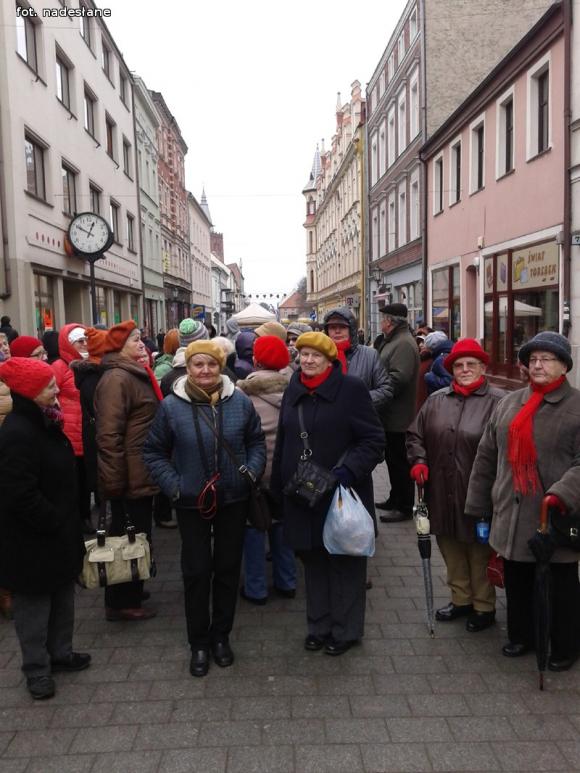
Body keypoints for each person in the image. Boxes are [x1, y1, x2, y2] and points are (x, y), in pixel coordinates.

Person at [143, 340, 266, 677]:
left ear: (220, 366)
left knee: (227, 569)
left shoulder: (239, 401)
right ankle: (198, 642)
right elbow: (153, 452)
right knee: (196, 572)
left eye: (211, 364)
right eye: (198, 364)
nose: (205, 371)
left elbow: (256, 442)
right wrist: (175, 485)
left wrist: (250, 473)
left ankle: (221, 636)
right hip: (191, 501)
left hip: (233, 499)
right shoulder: (171, 406)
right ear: (189, 367)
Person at [466, 332, 580, 670]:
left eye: (547, 359)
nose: (538, 365)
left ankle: (564, 645)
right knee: (517, 579)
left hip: (554, 515)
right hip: (510, 511)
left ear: (564, 366)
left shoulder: (576, 407)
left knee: (559, 586)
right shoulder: (509, 403)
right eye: (533, 360)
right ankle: (523, 636)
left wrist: (563, 492)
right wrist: (478, 503)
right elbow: (487, 455)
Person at [270, 332, 384, 655]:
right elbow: (283, 440)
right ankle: (318, 626)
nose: (307, 361)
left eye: (315, 356)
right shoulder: (293, 386)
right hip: (301, 493)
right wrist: (276, 490)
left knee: (344, 564)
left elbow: (374, 441)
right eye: (303, 354)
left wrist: (346, 473)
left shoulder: (351, 390)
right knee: (314, 562)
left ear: (330, 360)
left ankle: (346, 631)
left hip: (340, 494)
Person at [0, 358, 90, 700]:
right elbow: (18, 493)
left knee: (62, 597)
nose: (56, 389)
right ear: (29, 391)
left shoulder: (46, 420)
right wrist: (52, 520)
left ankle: (61, 654)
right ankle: (36, 670)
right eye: (49, 386)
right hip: (32, 539)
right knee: (34, 608)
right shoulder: (18, 433)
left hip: (58, 532)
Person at [407, 339, 503, 632]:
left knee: (478, 550)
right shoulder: (437, 400)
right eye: (458, 366)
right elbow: (415, 435)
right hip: (440, 489)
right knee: (449, 545)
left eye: (470, 365)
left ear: (483, 367)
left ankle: (484, 607)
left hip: (479, 492)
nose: (464, 370)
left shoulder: (499, 402)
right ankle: (460, 600)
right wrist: (419, 461)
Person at [94, 321, 160, 622]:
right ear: (120, 347)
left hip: (139, 469)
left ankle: (132, 587)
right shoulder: (116, 379)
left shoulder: (132, 373)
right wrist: (114, 482)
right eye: (135, 340)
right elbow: (109, 435)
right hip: (128, 474)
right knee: (126, 536)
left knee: (138, 534)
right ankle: (121, 603)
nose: (142, 344)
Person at [237, 335, 296, 604]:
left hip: (255, 473)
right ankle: (287, 582)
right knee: (282, 526)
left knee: (253, 528)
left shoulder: (243, 395)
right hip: (286, 473)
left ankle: (256, 588)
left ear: (255, 360)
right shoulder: (296, 390)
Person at [375, 303, 420, 522]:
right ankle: (395, 498)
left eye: (383, 318)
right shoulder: (394, 340)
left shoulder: (403, 343)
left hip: (398, 416)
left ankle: (404, 506)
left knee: (400, 462)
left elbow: (399, 378)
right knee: (393, 460)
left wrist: (377, 394)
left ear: (391, 321)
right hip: (390, 414)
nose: (381, 321)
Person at [51, 325, 92, 535]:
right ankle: (77, 518)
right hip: (69, 431)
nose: (84, 345)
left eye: (86, 340)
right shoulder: (59, 366)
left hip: (87, 429)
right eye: (79, 342)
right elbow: (51, 395)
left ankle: (85, 515)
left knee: (86, 479)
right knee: (73, 480)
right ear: (69, 344)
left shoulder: (89, 363)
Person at [323, 307, 392, 409]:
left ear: (351, 330)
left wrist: (357, 400)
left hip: (360, 419)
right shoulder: (321, 356)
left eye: (342, 327)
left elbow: (386, 390)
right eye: (332, 327)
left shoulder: (370, 355)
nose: (337, 331)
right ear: (327, 331)